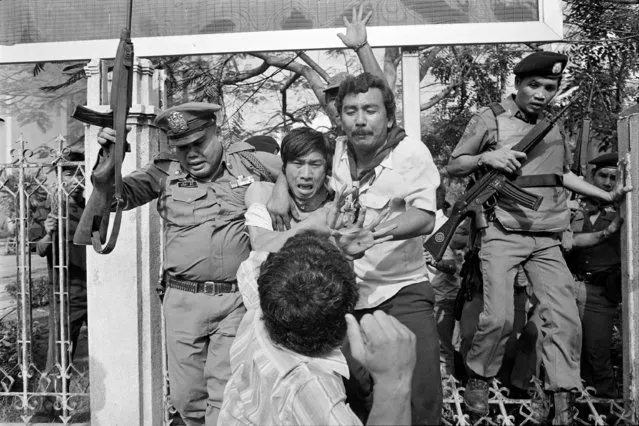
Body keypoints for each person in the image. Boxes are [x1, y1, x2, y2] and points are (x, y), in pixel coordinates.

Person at [447, 50, 631, 424]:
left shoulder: (554, 127)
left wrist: (605, 195)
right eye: (534, 85)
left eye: (550, 87)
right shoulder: (491, 119)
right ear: (517, 84)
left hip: (547, 237)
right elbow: (454, 163)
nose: (541, 94)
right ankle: (480, 376)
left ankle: (560, 392)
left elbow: (563, 176)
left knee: (564, 318)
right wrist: (488, 158)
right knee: (499, 317)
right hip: (503, 233)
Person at [91, 102, 281, 426]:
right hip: (182, 302)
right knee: (185, 397)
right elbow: (111, 200)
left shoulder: (250, 163)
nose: (191, 154)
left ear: (217, 133)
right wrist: (110, 158)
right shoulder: (164, 173)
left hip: (235, 301)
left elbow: (306, 177)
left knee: (225, 392)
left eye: (199, 143)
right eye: (182, 147)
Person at [268, 71, 442, 425]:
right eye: (350, 111)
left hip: (402, 291)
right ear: (340, 116)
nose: (360, 120)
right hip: (350, 295)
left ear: (389, 116)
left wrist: (376, 234)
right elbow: (296, 159)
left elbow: (424, 217)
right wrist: (278, 187)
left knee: (421, 395)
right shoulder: (339, 150)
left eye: (370, 110)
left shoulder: (410, 152)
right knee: (357, 393)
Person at [219, 231, 416, 425]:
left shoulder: (261, 310)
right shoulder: (313, 392)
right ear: (344, 322)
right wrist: (394, 383)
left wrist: (336, 248)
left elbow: (253, 262)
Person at [565, 152, 624, 398]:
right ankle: (575, 403)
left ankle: (607, 406)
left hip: (600, 292)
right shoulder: (573, 205)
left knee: (597, 352)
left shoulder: (624, 209)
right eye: (603, 176)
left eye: (613, 177)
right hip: (570, 286)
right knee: (569, 350)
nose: (608, 183)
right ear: (591, 176)